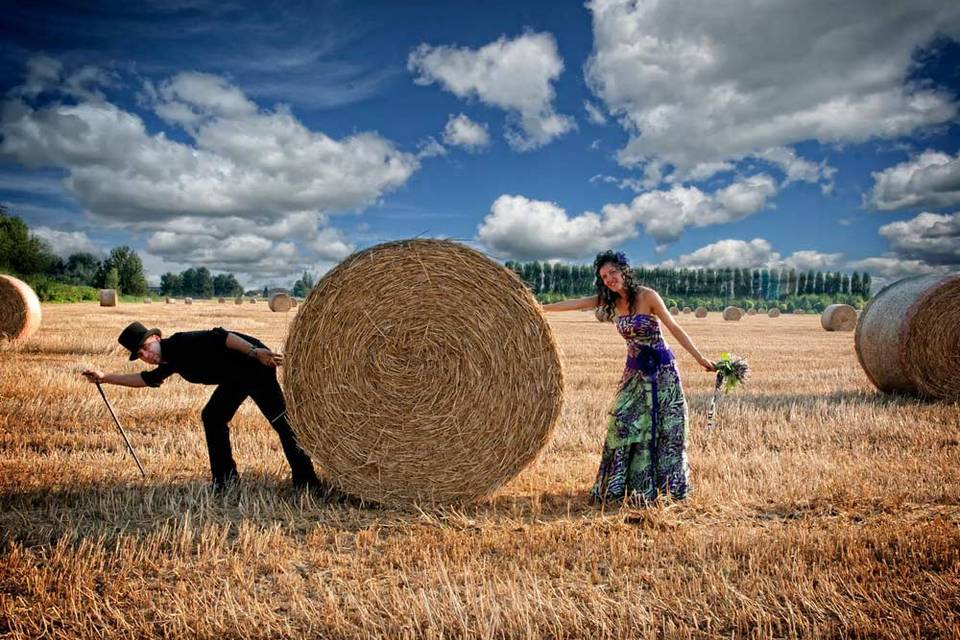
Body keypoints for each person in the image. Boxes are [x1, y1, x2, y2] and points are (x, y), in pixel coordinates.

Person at [542, 250, 716, 504]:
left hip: (661, 371)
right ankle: (625, 485)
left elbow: (674, 328)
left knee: (666, 427)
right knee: (624, 423)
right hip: (634, 372)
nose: (609, 279)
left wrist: (700, 358)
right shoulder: (609, 301)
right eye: (604, 276)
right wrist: (538, 308)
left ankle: (665, 487)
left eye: (613, 272)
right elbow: (576, 303)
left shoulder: (648, 296)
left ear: (624, 271)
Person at [81, 321, 321, 491]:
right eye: (141, 353)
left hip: (253, 365)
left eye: (146, 346)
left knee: (281, 421)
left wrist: (255, 351)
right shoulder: (170, 359)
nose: (146, 354)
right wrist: (104, 377)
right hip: (234, 376)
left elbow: (222, 336)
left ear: (156, 338)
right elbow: (146, 379)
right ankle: (225, 480)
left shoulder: (181, 342)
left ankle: (307, 482)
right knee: (213, 417)